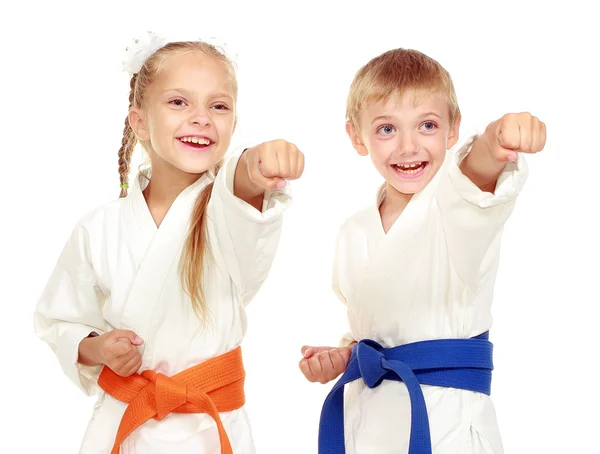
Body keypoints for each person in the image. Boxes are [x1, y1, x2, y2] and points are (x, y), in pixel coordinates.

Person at [34, 32, 304, 454]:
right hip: (125, 420)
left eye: (218, 106)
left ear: (234, 124)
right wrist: (98, 347)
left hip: (210, 427)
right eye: (179, 102)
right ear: (139, 120)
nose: (201, 118)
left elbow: (243, 187)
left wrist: (258, 163)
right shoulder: (98, 228)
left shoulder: (226, 207)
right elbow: (59, 322)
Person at [299, 48, 545, 453]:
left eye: (427, 125)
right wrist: (346, 356)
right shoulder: (354, 231)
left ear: (453, 130)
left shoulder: (455, 207)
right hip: (368, 422)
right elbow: (380, 329)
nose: (408, 146)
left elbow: (476, 178)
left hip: (446, 421)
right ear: (357, 137)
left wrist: (495, 141)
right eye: (386, 129)